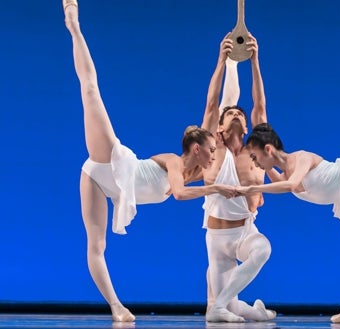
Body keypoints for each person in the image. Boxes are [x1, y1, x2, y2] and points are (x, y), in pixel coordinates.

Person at [63, 0, 237, 322]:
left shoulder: (198, 171)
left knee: (98, 246)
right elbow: (181, 194)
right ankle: (73, 23)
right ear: (195, 148)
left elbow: (214, 106)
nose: (216, 152)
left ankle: (116, 307)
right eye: (211, 147)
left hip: (105, 188)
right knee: (90, 90)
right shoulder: (174, 162)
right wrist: (217, 189)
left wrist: (228, 62)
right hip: (113, 164)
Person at [236, 7, 340, 324]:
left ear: (269, 149)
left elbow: (290, 186)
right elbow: (261, 118)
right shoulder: (278, 170)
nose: (256, 164)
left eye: (256, 157)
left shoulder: (299, 159)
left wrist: (251, 187)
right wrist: (251, 61)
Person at [200, 33, 276, 323]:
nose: (235, 113)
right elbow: (211, 104)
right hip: (216, 238)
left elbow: (260, 105)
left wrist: (255, 61)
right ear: (218, 129)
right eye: (229, 112)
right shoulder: (212, 148)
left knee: (262, 249)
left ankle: (219, 305)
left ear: (247, 127)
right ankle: (256, 311)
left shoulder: (255, 151)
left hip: (244, 231)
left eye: (239, 114)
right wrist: (222, 60)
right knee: (230, 306)